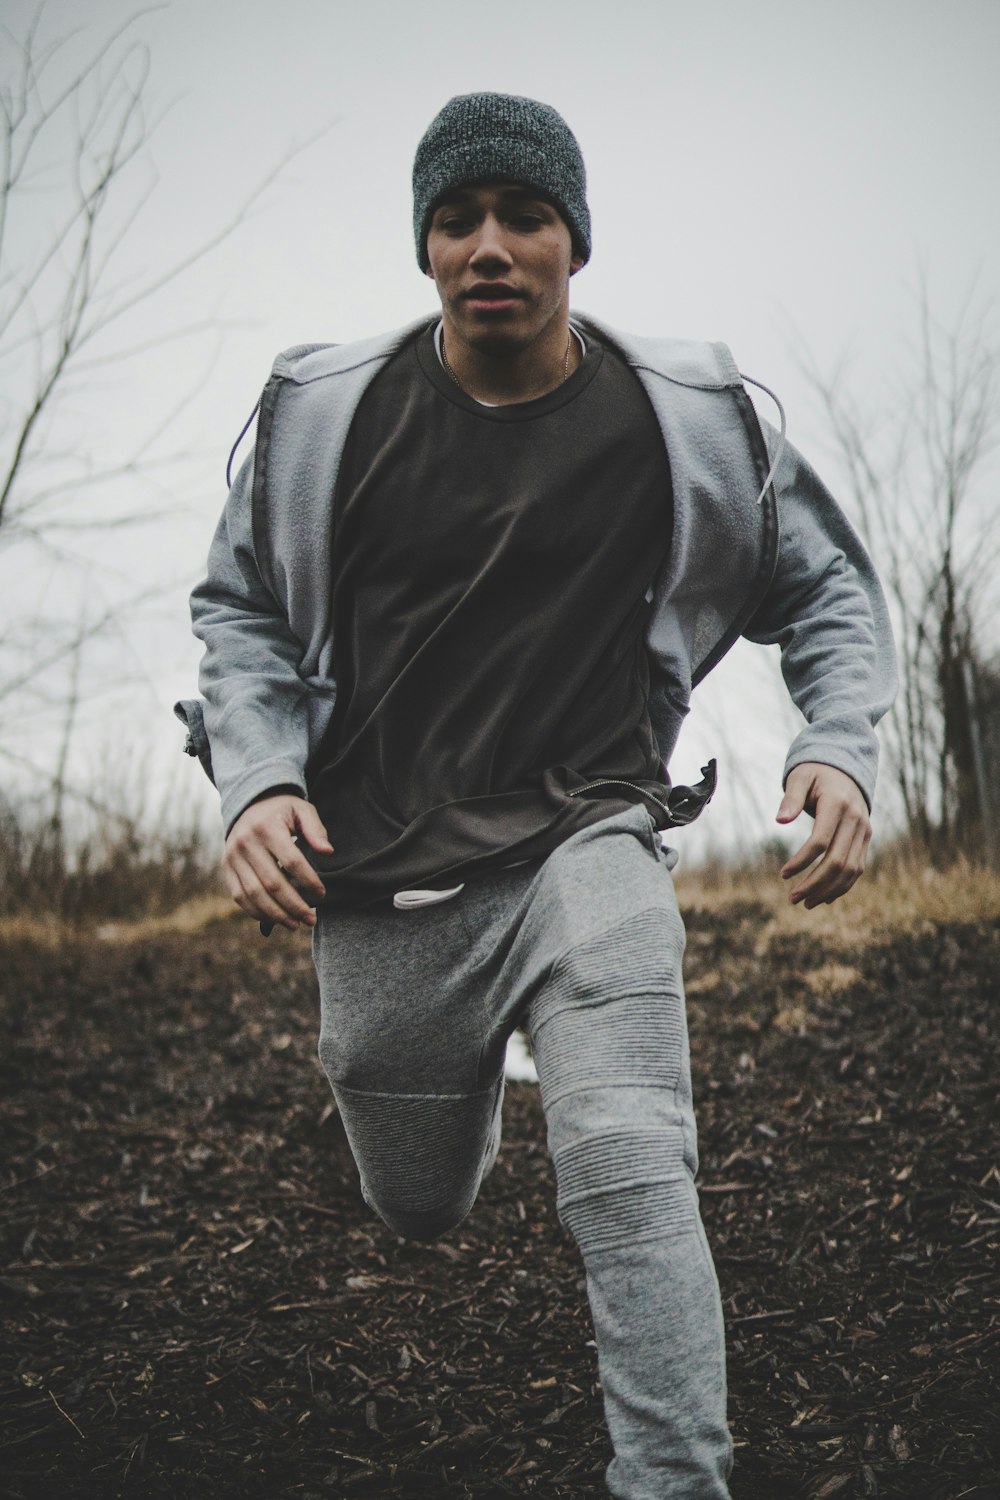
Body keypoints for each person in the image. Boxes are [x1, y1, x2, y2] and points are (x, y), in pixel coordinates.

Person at [178, 93, 896, 1500]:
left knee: (631, 1163)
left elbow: (822, 588)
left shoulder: (682, 418)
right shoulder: (329, 421)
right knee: (419, 1203)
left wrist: (841, 742)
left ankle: (673, 1478)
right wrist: (256, 782)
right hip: (383, 880)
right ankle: (468, 1068)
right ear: (426, 249)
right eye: (459, 219)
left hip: (590, 836)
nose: (490, 244)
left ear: (575, 241)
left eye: (523, 215)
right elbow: (241, 607)